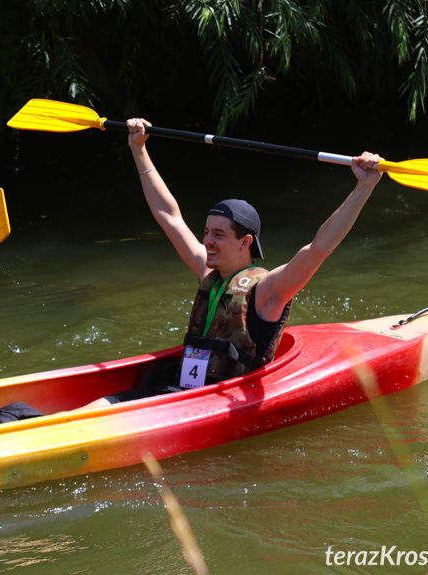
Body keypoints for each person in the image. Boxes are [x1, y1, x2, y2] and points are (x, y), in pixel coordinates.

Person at [82, 118, 384, 408]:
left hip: (218, 402)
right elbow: (168, 215)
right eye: (206, 232)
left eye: (219, 234)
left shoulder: (268, 291)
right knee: (102, 404)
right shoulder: (208, 271)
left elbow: (318, 248)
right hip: (183, 391)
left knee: (103, 408)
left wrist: (364, 188)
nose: (208, 241)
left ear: (245, 242)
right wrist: (139, 149)